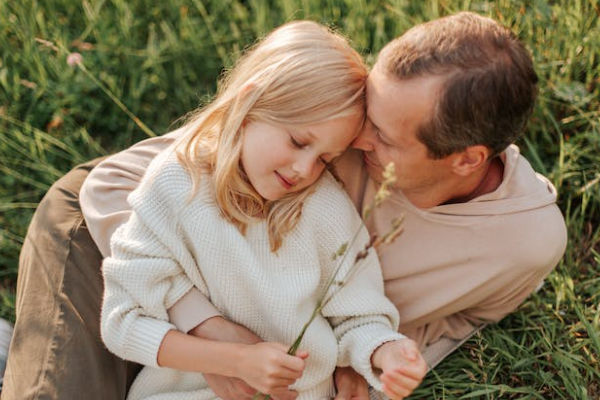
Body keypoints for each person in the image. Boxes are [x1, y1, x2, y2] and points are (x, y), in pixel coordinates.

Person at [3, 11, 567, 400]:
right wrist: (213, 336)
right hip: (105, 230)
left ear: (466, 160)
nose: (357, 140)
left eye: (384, 136)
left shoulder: (524, 242)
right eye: (367, 113)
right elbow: (117, 186)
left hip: (251, 344)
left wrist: (372, 359)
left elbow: (459, 316)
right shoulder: (326, 128)